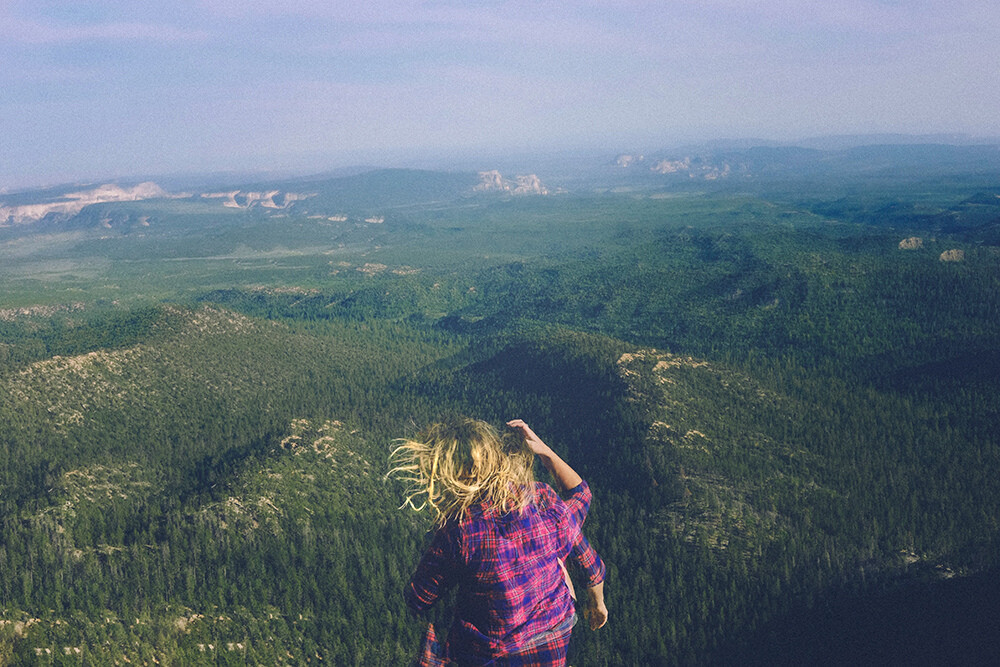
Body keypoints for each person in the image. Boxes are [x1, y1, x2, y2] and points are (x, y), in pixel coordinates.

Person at [390, 417, 607, 666]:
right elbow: (581, 498)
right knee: (561, 557)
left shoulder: (459, 529)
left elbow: (419, 597)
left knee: (439, 627)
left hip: (490, 654)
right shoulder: (541, 497)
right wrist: (597, 603)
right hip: (554, 636)